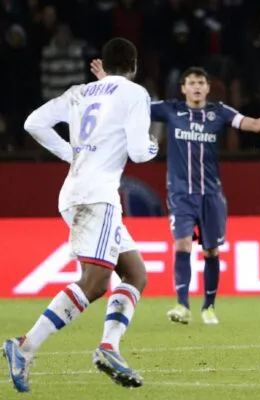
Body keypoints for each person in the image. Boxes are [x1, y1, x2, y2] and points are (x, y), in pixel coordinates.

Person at [91, 62, 260, 325]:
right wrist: (108, 83)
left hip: (211, 195)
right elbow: (133, 105)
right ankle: (182, 305)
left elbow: (255, 125)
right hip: (180, 195)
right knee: (183, 244)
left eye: (201, 83)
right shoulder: (171, 109)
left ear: (208, 88)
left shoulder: (219, 112)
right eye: (192, 83)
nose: (197, 87)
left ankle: (209, 306)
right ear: (183, 88)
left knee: (211, 251)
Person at [4, 38, 157, 393]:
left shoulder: (80, 92)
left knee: (135, 273)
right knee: (96, 282)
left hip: (79, 191)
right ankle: (24, 346)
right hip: (96, 196)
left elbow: (33, 123)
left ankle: (109, 347)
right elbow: (139, 151)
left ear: (105, 62)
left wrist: (71, 154)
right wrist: (153, 145)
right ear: (134, 65)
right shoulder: (135, 93)